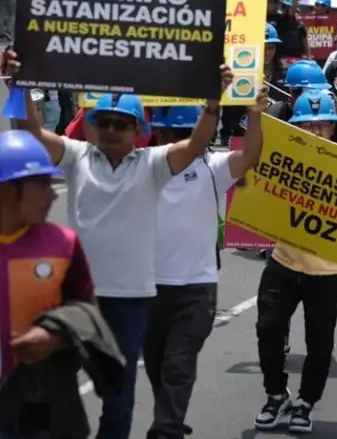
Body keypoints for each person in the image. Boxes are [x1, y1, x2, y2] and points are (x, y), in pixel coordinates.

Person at [2, 49, 232, 439]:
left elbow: (195, 145)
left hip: (129, 303)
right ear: (91, 126)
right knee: (43, 390)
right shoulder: (76, 157)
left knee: (118, 399)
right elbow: (32, 135)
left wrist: (213, 104)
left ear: (137, 130)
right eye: (103, 122)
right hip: (73, 302)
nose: (111, 130)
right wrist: (19, 85)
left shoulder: (153, 164)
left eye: (121, 124)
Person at [144, 94, 266, 439]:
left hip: (196, 289)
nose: (179, 140)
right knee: (156, 364)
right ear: (158, 135)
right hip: (147, 287)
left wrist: (255, 114)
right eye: (171, 134)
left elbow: (251, 156)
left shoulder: (213, 168)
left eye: (186, 132)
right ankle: (170, 417)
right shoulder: (143, 165)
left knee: (178, 365)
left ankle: (166, 430)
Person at [253, 91, 337, 433]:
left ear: (334, 130)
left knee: (320, 344)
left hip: (327, 272)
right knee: (268, 330)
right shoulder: (284, 157)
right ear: (297, 129)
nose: (317, 132)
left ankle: (306, 402)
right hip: (283, 262)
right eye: (308, 126)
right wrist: (257, 115)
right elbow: (254, 161)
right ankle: (276, 395)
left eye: (323, 126)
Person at [0, 130, 121, 439]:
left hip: (42, 401)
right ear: (8, 192)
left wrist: (54, 336)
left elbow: (87, 311)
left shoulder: (63, 244)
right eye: (42, 185)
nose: (53, 195)